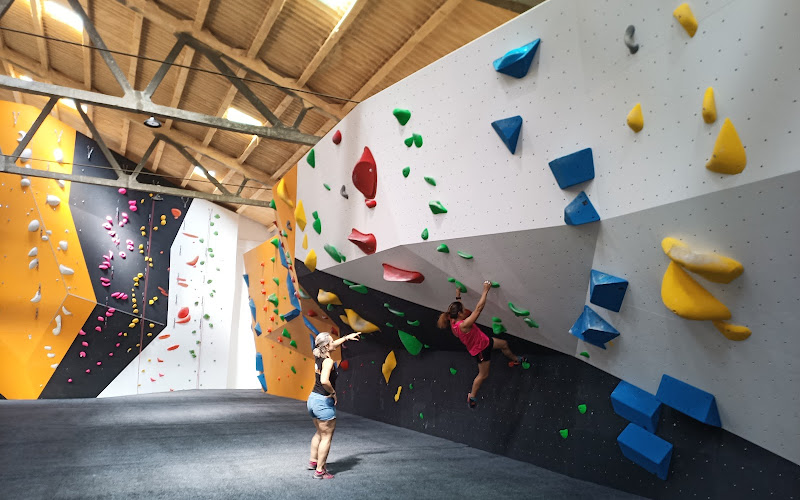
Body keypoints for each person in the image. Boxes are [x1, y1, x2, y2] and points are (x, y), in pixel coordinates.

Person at [437, 280, 527, 409]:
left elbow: (458, 307)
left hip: (485, 341)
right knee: (483, 375)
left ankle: (515, 359)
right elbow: (478, 309)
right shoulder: (464, 325)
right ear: (460, 314)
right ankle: (471, 396)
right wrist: (485, 290)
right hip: (480, 351)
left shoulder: (453, 321)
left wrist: (458, 294)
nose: (465, 310)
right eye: (463, 310)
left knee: (504, 344)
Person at [307, 330, 360, 479]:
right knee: (326, 437)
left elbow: (332, 344)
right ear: (326, 346)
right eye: (331, 341)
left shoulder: (317, 353)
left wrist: (346, 338)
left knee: (319, 433)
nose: (334, 342)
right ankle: (320, 471)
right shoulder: (328, 361)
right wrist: (333, 393)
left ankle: (313, 461)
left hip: (312, 400)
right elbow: (324, 380)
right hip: (323, 401)